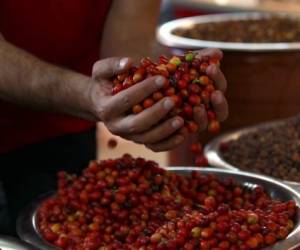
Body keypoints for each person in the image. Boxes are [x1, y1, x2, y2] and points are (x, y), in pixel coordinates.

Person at [0, 0, 228, 235]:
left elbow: (126, 59)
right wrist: (87, 94)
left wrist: (162, 96)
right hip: (55, 103)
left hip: (64, 127)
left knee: (74, 228)